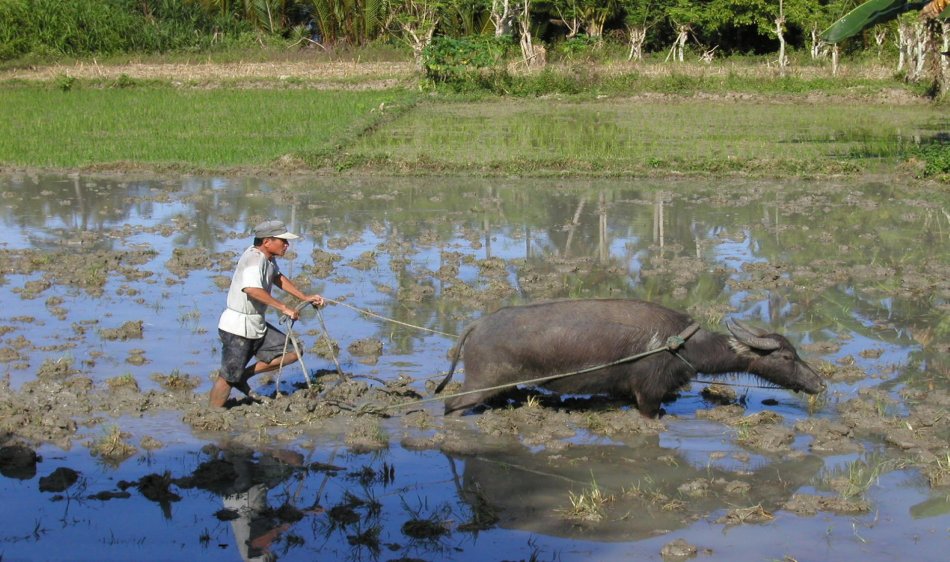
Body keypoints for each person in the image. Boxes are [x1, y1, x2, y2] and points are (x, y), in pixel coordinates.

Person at [211, 219, 324, 408]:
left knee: (293, 351)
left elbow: (277, 278)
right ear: (267, 241)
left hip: (256, 324)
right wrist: (284, 307)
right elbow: (252, 289)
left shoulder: (268, 259)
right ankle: (211, 416)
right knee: (228, 377)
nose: (287, 245)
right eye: (283, 241)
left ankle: (244, 376)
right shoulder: (253, 260)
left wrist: (304, 297)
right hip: (238, 327)